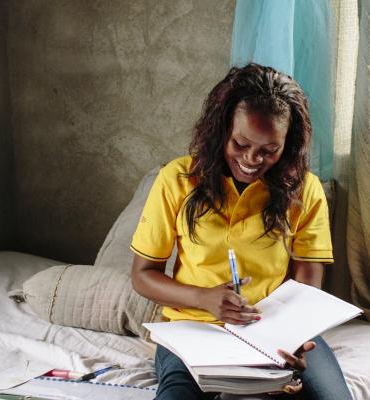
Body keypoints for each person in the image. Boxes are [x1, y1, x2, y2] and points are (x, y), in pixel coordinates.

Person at [130, 63, 352, 400]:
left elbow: (309, 277)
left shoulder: (304, 190)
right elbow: (142, 275)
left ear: (287, 146)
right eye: (241, 143)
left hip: (276, 333)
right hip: (192, 329)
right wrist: (203, 298)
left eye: (269, 150)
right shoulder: (176, 180)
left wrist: (295, 336)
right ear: (222, 131)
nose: (252, 159)